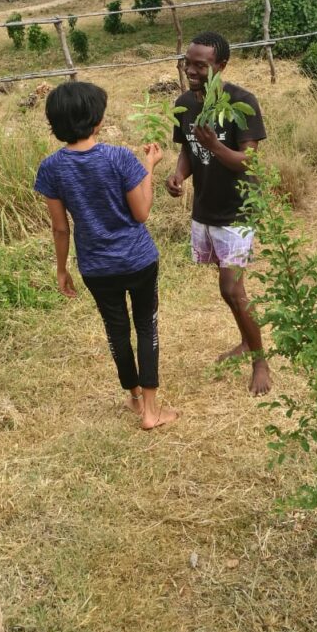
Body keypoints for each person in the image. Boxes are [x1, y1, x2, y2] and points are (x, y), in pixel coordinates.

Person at [34, 81, 177, 430]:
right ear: (97, 121)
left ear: (56, 125)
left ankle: (132, 396)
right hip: (139, 260)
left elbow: (60, 228)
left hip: (96, 266)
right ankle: (150, 411)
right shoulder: (120, 158)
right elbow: (141, 212)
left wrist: (62, 269)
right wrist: (150, 166)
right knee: (146, 327)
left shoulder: (51, 168)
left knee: (116, 331)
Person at [166, 32, 271, 396]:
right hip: (206, 208)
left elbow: (249, 160)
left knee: (231, 288)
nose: (191, 70)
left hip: (237, 209)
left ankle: (259, 360)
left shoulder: (241, 101)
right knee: (229, 291)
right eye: (188, 63)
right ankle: (247, 342)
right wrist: (179, 174)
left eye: (201, 65)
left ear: (221, 66)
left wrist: (215, 144)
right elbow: (187, 150)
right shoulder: (184, 103)